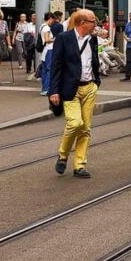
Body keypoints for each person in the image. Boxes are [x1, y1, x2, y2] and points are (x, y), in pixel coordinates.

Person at [49, 9, 101, 179]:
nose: (96, 24)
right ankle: (63, 154)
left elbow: (93, 60)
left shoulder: (92, 39)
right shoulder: (64, 39)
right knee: (74, 123)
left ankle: (79, 164)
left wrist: (96, 82)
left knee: (85, 128)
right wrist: (54, 90)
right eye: (93, 21)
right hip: (70, 88)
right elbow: (56, 65)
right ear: (83, 23)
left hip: (89, 87)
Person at [39, 12, 57, 96]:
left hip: (44, 51)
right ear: (50, 18)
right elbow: (47, 40)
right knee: (49, 69)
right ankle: (46, 89)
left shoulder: (42, 26)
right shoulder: (46, 28)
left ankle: (44, 88)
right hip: (49, 49)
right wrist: (55, 39)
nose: (53, 22)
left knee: (45, 70)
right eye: (53, 20)